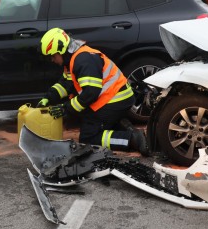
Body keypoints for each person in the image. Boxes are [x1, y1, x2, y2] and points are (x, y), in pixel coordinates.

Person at [39, 27, 148, 155]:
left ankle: (132, 139)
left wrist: (66, 108)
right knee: (85, 117)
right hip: (113, 98)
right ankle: (122, 125)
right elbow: (66, 84)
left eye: (52, 56)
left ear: (61, 50)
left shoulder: (83, 60)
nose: (52, 60)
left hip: (115, 99)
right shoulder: (72, 60)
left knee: (88, 138)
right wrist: (49, 98)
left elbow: (90, 93)